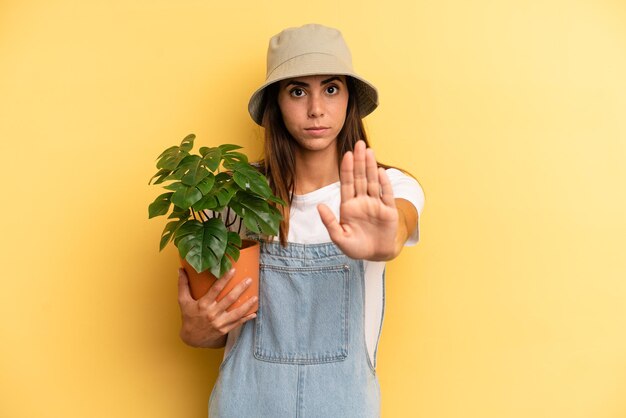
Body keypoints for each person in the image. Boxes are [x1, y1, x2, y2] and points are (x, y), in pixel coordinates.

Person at [177, 23, 425, 417]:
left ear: (349, 100)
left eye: (331, 89)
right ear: (276, 103)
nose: (316, 108)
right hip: (247, 404)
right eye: (297, 91)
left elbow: (400, 224)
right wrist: (196, 330)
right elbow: (209, 328)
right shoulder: (234, 198)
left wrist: (387, 239)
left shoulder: (385, 187)